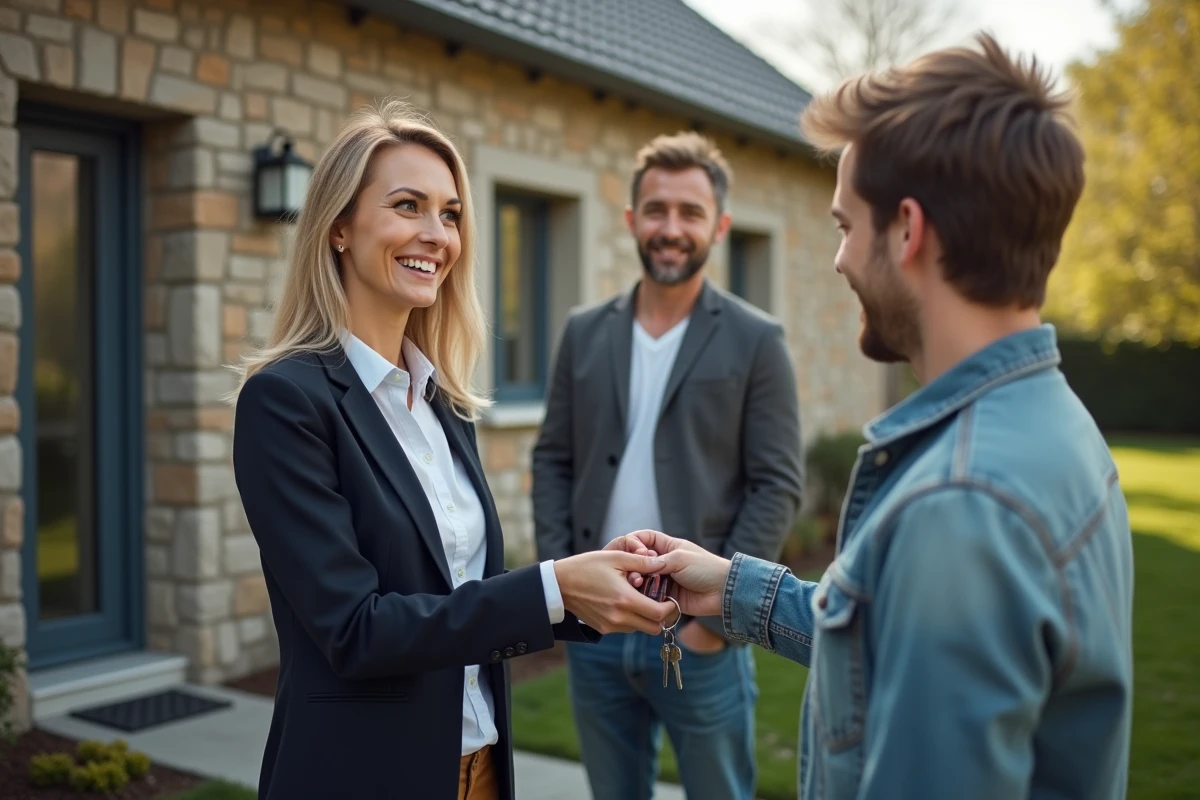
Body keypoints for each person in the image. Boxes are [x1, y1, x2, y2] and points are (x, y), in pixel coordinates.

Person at [611, 33, 1134, 800]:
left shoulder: (959, 507)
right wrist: (731, 587)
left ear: (909, 231)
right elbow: (883, 643)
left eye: (845, 226)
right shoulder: (1051, 424)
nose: (841, 260)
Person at [229, 100, 675, 800]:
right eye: (408, 206)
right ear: (339, 227)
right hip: (363, 777)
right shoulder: (286, 402)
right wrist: (554, 588)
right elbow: (356, 629)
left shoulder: (442, 401)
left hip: (480, 768)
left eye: (452, 213)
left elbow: (455, 594)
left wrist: (594, 586)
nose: (436, 234)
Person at [531, 131, 804, 800]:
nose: (671, 228)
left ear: (720, 226)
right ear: (631, 220)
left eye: (690, 212)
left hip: (699, 636)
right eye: (656, 210)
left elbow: (777, 483)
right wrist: (567, 593)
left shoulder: (757, 340)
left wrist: (719, 619)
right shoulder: (583, 330)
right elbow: (552, 460)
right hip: (598, 627)